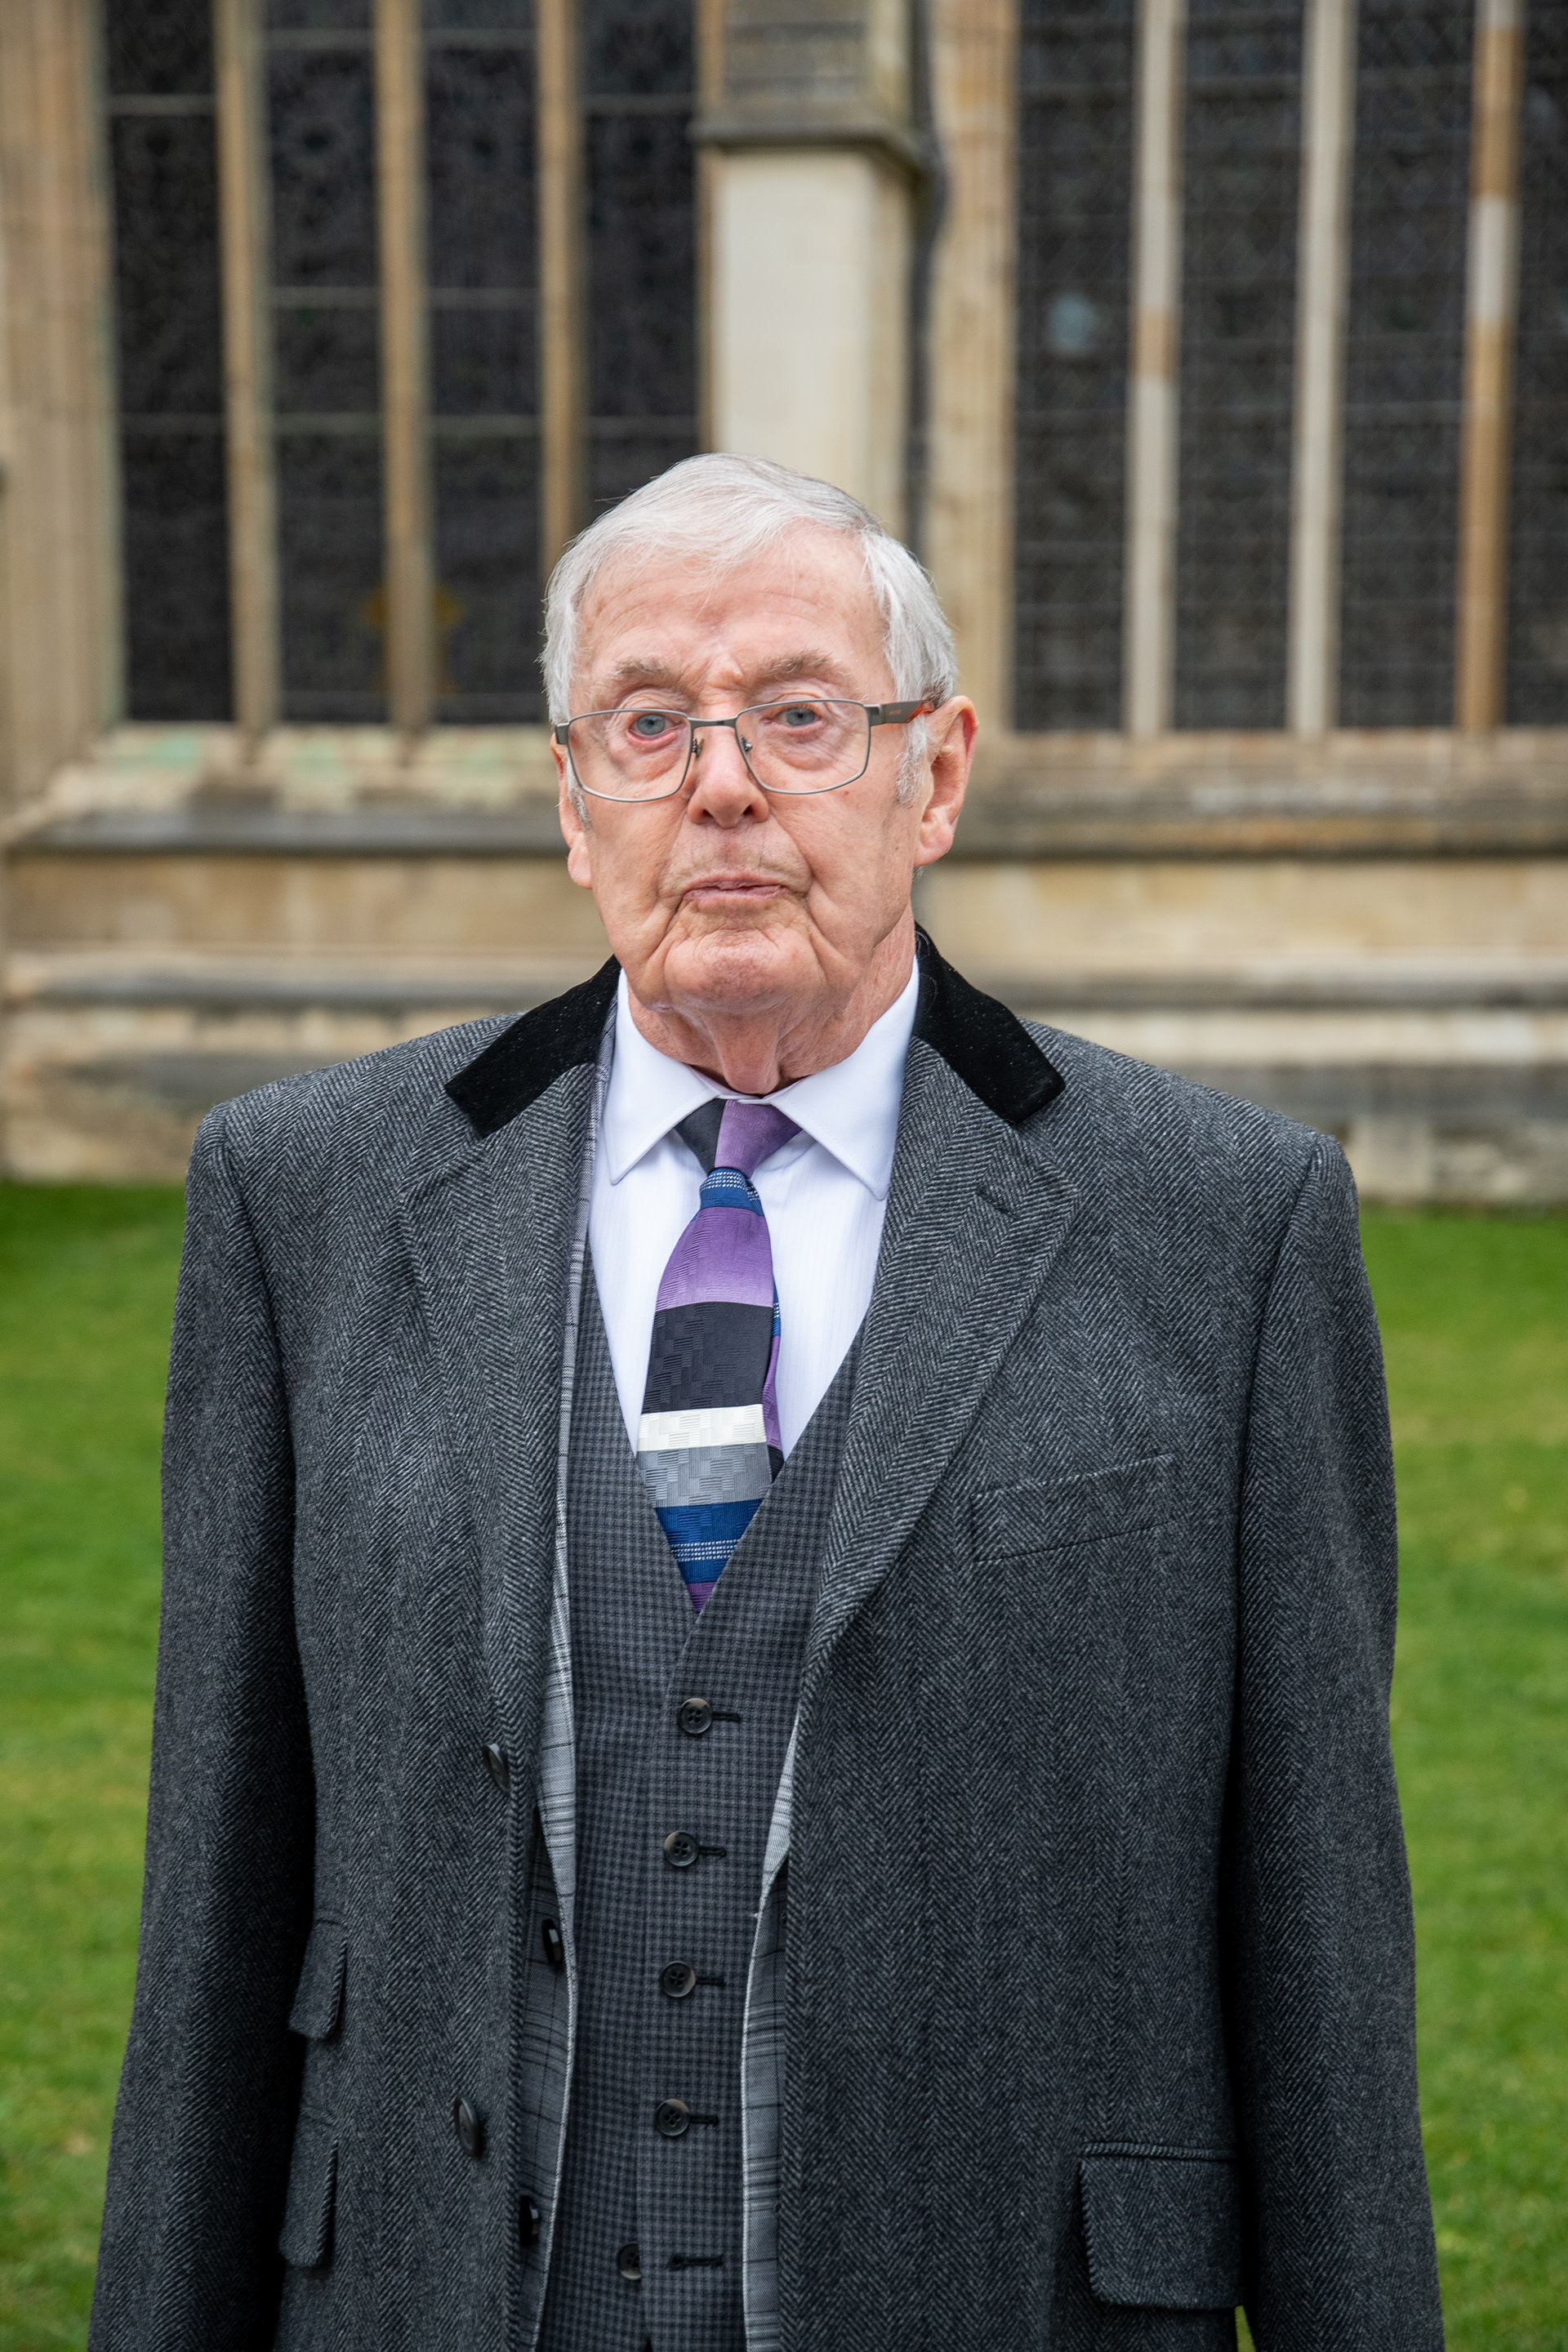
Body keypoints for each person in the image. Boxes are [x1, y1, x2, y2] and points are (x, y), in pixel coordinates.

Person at [91, 454, 1441, 2352]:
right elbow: (214, 1894)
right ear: (574, 798)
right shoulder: (299, 1196)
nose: (720, 781)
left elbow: (1320, 1953)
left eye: (801, 714)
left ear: (934, 773)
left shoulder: (1225, 1223)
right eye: (649, 722)